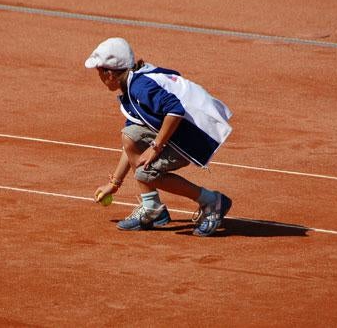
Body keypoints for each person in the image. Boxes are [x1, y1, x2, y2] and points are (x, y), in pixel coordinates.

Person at [85, 37, 233, 236]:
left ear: (109, 73)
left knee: (145, 173)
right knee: (130, 135)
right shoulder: (135, 82)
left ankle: (212, 201)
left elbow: (175, 110)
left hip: (194, 134)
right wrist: (114, 184)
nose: (99, 77)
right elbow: (132, 140)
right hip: (180, 128)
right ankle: (153, 209)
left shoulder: (141, 88)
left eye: (99, 71)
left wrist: (156, 146)